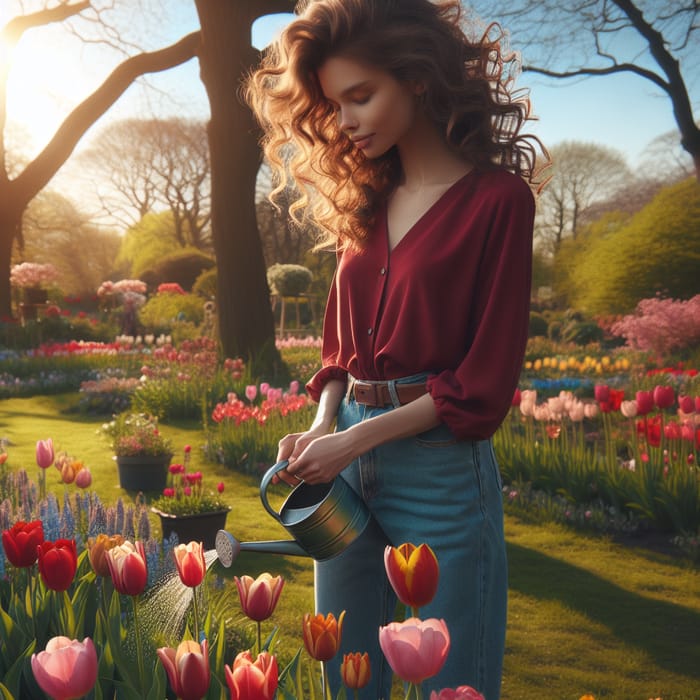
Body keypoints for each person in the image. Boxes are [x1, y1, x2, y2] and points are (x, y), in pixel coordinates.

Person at [246, 1, 547, 697]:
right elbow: (339, 351)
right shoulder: (368, 202)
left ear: (416, 77)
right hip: (344, 461)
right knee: (347, 675)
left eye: (361, 96)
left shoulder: (498, 201)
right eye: (333, 104)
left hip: (439, 473)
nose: (346, 121)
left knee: (453, 682)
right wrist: (324, 426)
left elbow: (482, 383)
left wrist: (353, 442)